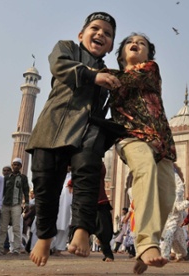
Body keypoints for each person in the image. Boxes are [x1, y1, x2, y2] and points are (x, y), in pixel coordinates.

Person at [25, 12, 119, 267]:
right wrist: (92, 76)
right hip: (54, 124)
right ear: (81, 35)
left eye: (107, 34)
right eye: (95, 29)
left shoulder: (110, 74)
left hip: (89, 129)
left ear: (110, 46)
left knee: (88, 176)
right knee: (45, 184)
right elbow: (59, 65)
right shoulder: (67, 48)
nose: (100, 34)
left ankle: (82, 230)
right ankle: (44, 235)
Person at [106, 33, 177, 274]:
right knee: (145, 168)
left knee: (167, 196)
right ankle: (147, 244)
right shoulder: (110, 76)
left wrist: (94, 74)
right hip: (131, 136)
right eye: (130, 42)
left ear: (149, 54)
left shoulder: (149, 69)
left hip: (162, 143)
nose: (136, 43)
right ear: (121, 53)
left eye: (142, 43)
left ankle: (145, 249)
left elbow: (123, 80)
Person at [0, 158, 30, 255]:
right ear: (12, 165)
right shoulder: (6, 178)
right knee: (3, 228)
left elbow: (26, 191)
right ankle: (0, 248)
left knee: (16, 228)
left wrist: (26, 203)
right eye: (14, 164)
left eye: (17, 165)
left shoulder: (23, 178)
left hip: (16, 205)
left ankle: (16, 249)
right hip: (5, 204)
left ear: (20, 166)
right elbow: (1, 192)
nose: (16, 166)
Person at [160, 163, 189, 261]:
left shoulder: (176, 193)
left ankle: (164, 255)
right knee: (177, 239)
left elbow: (179, 206)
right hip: (169, 218)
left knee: (169, 236)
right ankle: (183, 254)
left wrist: (188, 201)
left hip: (175, 219)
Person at [94, 162, 115, 262]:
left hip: (100, 201)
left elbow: (102, 169)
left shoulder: (98, 163)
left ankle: (108, 254)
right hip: (85, 202)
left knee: (104, 230)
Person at [50, 168, 72, 256]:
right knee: (52, 225)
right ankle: (50, 247)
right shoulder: (56, 175)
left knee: (64, 227)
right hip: (55, 203)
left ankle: (58, 249)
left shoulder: (74, 177)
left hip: (67, 204)